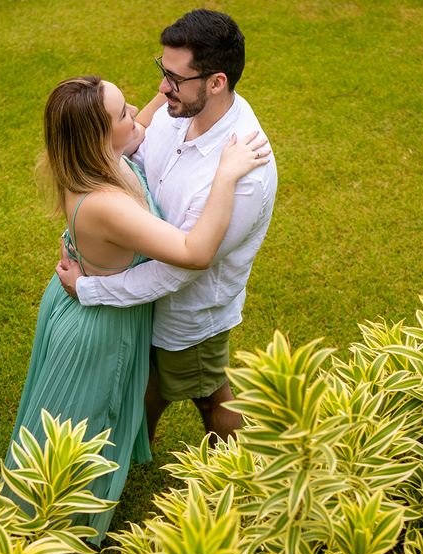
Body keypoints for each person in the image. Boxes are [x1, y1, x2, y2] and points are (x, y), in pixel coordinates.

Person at [5, 75, 268, 544]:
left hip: (84, 296)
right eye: (124, 112)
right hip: (97, 327)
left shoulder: (92, 160)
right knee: (78, 420)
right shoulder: (107, 203)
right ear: (101, 139)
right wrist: (226, 173)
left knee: (87, 413)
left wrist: (174, 83)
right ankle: (51, 528)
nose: (141, 115)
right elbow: (192, 252)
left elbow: (141, 119)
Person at [57, 9, 277, 447]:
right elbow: (138, 153)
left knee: (209, 398)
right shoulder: (177, 108)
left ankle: (232, 476)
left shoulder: (244, 173)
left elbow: (183, 268)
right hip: (147, 302)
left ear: (216, 82)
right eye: (163, 71)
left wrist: (91, 290)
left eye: (174, 79)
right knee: (145, 389)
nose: (161, 88)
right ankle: (126, 460)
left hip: (188, 314)